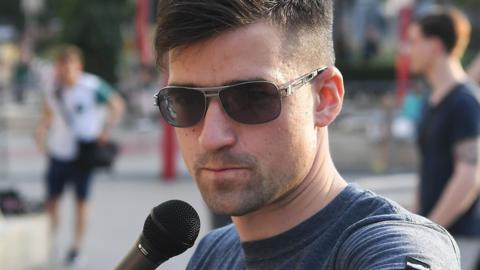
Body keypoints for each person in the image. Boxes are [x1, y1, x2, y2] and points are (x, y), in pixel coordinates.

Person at [154, 1, 460, 269]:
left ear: (325, 98)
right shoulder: (212, 254)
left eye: (252, 98)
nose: (211, 137)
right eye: (184, 100)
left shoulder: (387, 246)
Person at [34, 45, 124, 266]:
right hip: (59, 152)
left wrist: (104, 128)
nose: (64, 71)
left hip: (83, 153)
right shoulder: (53, 89)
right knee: (52, 200)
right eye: (60, 66)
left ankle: (76, 247)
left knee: (81, 201)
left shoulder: (91, 85)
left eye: (68, 66)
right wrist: (41, 134)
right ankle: (50, 242)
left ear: (78, 67)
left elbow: (117, 104)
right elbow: (47, 114)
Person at [407, 7, 480, 270]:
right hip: (434, 235)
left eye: (415, 41)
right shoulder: (431, 100)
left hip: (458, 239)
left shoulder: (465, 102)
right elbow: (427, 169)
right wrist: (413, 224)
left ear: (435, 45)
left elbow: (469, 177)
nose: (408, 50)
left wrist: (429, 229)